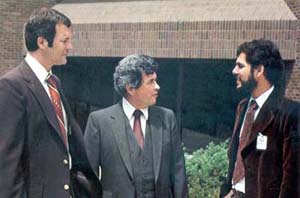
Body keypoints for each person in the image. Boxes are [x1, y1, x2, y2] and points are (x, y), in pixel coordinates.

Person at [0, 7, 101, 197]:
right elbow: (6, 165)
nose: (69, 47)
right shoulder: (12, 86)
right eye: (64, 41)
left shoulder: (54, 83)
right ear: (42, 42)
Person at [84, 54, 188, 197]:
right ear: (131, 88)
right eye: (150, 82)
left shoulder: (167, 119)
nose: (157, 87)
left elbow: (178, 173)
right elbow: (88, 179)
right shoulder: (99, 122)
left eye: (156, 80)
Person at [220, 39, 300, 198]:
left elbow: (292, 179)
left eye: (240, 66)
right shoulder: (243, 107)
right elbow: (237, 157)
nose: (234, 71)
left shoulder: (290, 113)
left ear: (259, 70)